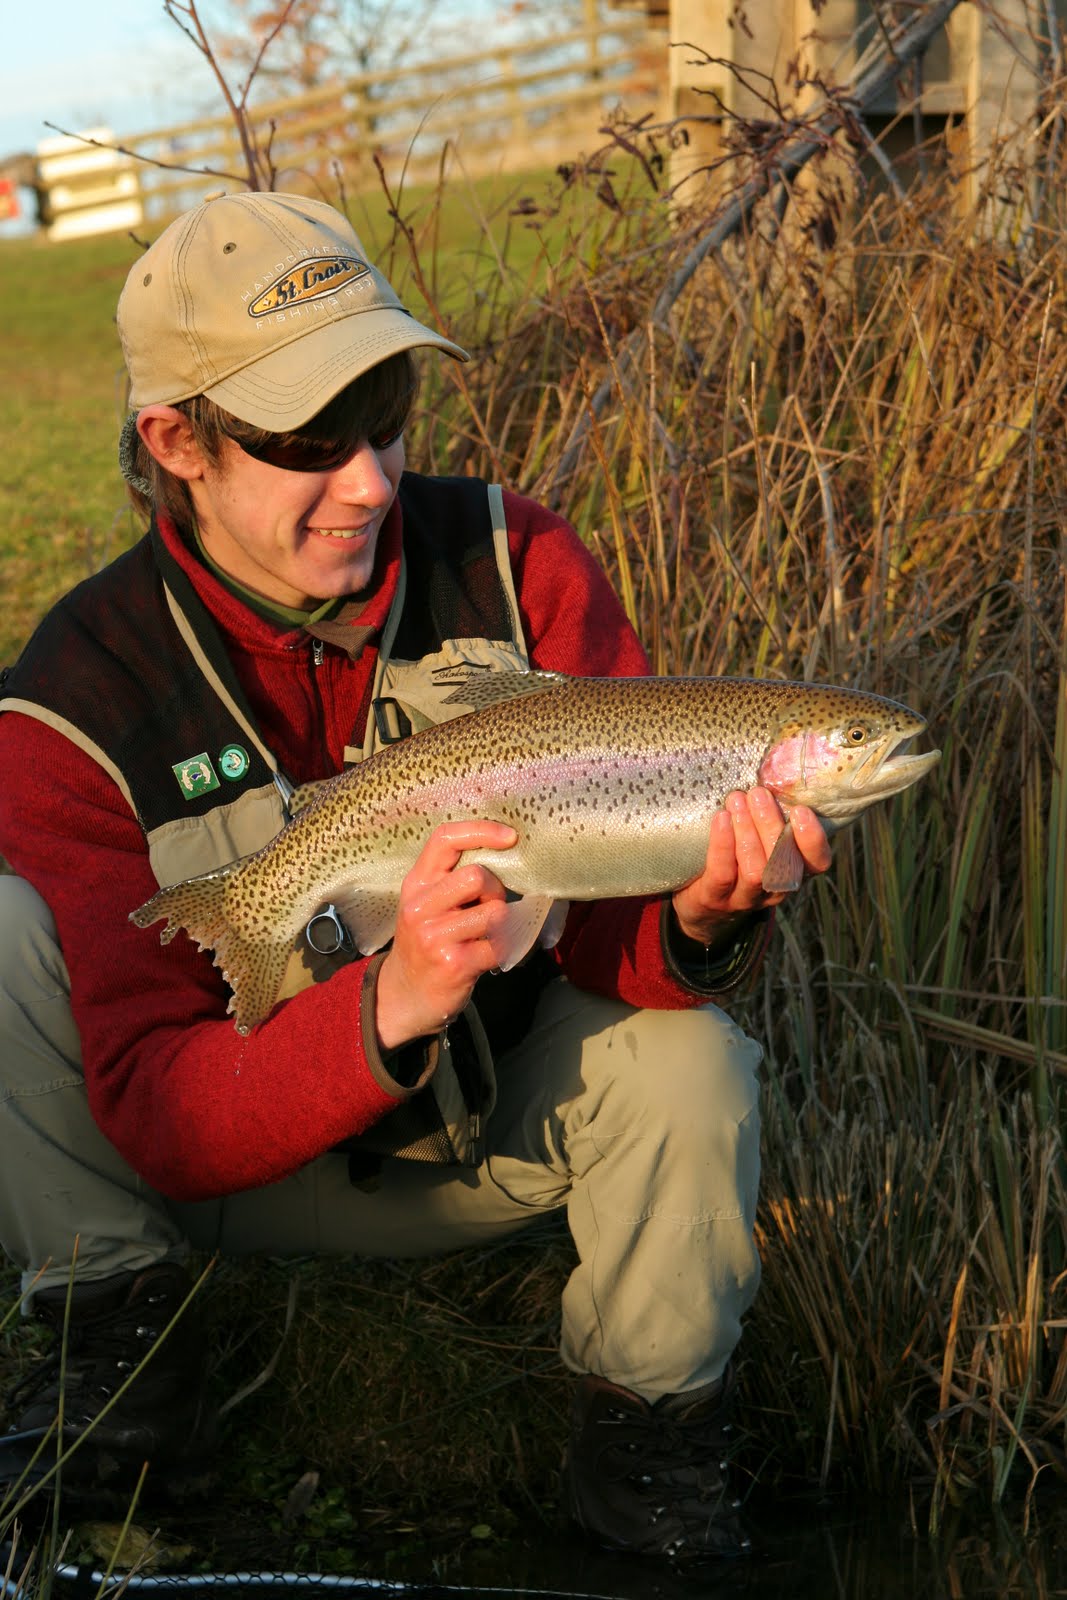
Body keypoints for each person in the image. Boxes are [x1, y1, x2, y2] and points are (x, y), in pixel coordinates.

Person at [0, 190, 831, 1560]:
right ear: (174, 443)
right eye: (308, 442)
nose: (373, 481)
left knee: (700, 1066)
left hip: (483, 1133)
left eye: (385, 413)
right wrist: (386, 1004)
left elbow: (609, 962)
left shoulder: (516, 558)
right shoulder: (72, 699)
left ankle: (651, 1462)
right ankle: (123, 1384)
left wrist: (695, 915)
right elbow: (155, 1114)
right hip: (202, 1174)